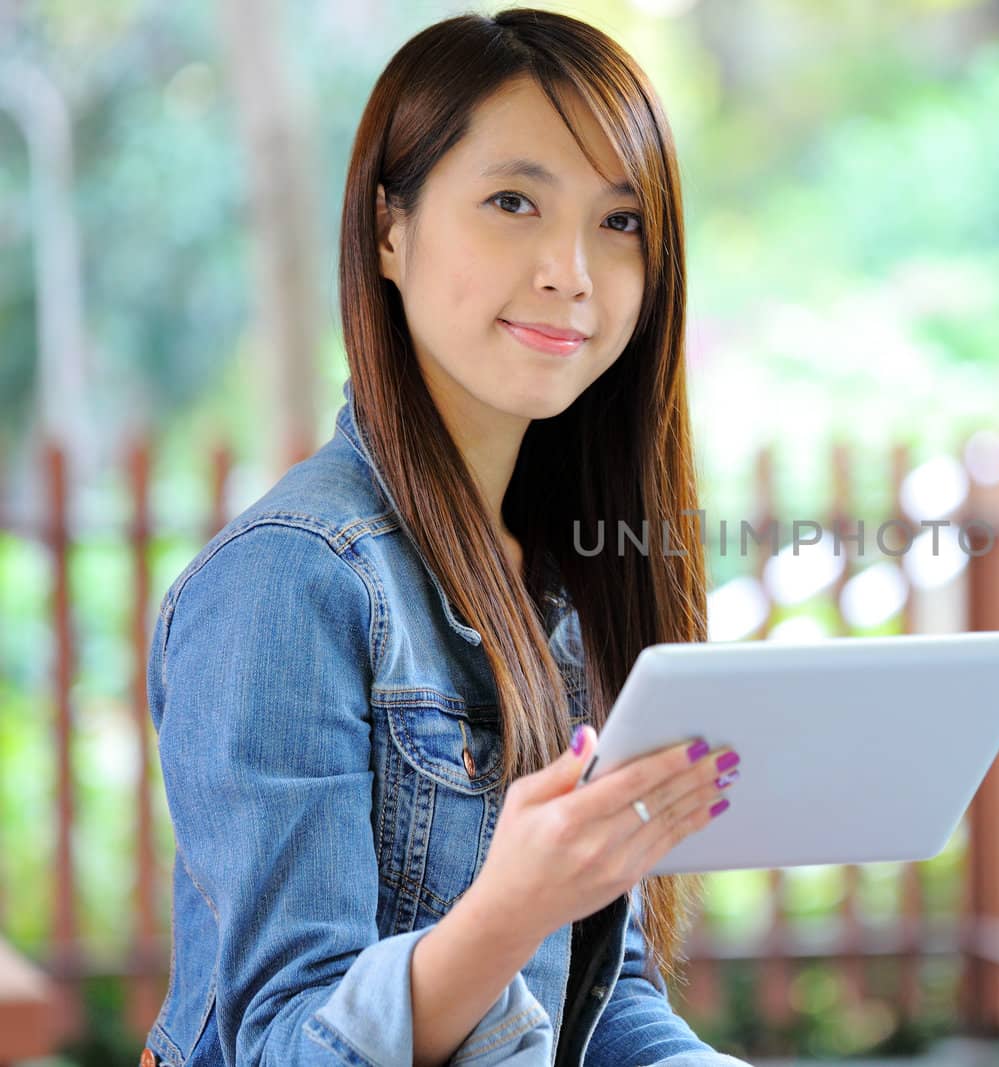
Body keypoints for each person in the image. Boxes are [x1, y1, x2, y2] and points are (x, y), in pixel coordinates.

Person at [143, 8, 748, 1065]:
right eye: (513, 201)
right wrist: (508, 907)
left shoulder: (571, 574)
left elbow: (599, 991)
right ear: (389, 230)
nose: (571, 269)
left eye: (619, 222)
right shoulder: (293, 576)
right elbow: (282, 1044)